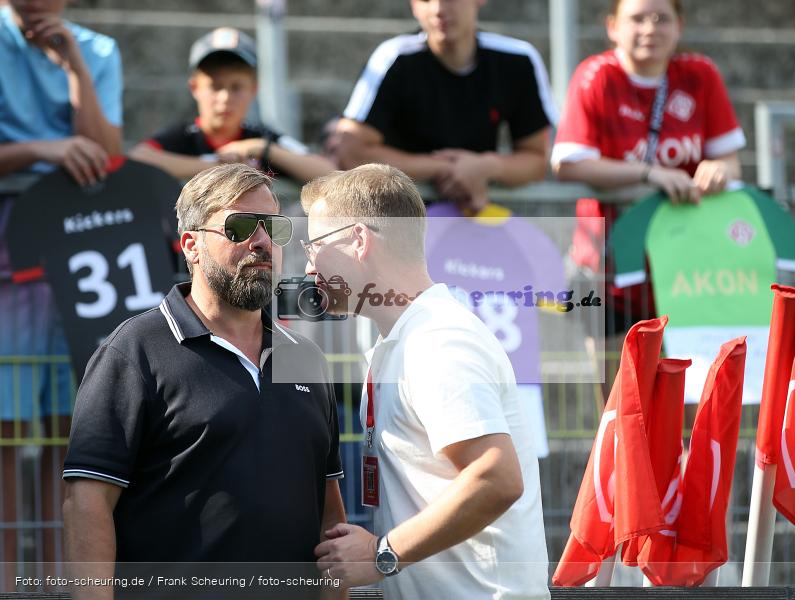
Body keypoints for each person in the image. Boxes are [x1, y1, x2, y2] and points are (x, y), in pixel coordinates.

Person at [62, 164, 346, 599]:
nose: (262, 241)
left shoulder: (306, 358)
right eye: (240, 227)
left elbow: (330, 514)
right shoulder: (133, 350)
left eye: (274, 227)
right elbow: (87, 504)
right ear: (191, 246)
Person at [304, 164, 550, 600]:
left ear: (359, 240)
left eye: (316, 246)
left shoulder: (437, 340)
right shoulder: (412, 337)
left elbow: (497, 478)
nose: (309, 267)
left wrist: (381, 553)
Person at [0, 0, 122, 584]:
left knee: (71, 428)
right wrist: (41, 151)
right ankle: (7, 579)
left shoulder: (98, 50)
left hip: (80, 251)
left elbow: (108, 153)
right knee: (6, 426)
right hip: (10, 251)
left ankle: (56, 581)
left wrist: (73, 63)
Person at [551, 0, 746, 336]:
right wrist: (649, 174)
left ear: (679, 26)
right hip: (610, 269)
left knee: (684, 369)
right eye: (637, 18)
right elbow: (568, 164)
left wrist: (718, 170)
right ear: (612, 26)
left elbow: (731, 163)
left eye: (660, 18)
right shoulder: (595, 76)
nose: (650, 29)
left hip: (686, 267)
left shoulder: (700, 74)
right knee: (615, 371)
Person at [336, 0, 556, 212]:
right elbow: (351, 151)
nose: (438, 9)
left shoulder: (518, 59)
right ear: (413, 5)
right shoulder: (392, 56)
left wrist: (487, 167)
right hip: (396, 220)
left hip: (475, 219)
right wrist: (446, 169)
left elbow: (536, 160)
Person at [129, 27, 334, 182]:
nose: (225, 97)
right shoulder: (184, 136)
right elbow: (136, 159)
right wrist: (216, 165)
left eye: (236, 87)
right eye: (215, 86)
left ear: (253, 89)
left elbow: (329, 172)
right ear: (195, 88)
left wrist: (265, 150)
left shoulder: (260, 139)